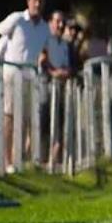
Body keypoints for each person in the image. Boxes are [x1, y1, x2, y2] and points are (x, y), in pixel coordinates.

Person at [0, 0, 51, 171]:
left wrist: (44, 61)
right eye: (35, 0)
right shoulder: (17, 19)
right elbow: (0, 31)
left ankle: (17, 159)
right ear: (28, 1)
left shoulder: (44, 28)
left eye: (40, 1)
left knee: (25, 118)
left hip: (30, 75)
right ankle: (6, 161)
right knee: (9, 116)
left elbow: (44, 51)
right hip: (12, 72)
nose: (37, 4)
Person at [39, 11, 72, 171]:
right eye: (57, 21)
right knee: (42, 123)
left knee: (59, 122)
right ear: (50, 22)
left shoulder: (64, 44)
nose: (60, 25)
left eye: (62, 22)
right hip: (46, 85)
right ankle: (37, 158)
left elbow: (67, 63)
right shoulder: (45, 39)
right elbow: (42, 59)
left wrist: (65, 72)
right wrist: (53, 72)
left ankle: (52, 161)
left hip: (60, 87)